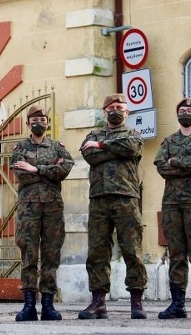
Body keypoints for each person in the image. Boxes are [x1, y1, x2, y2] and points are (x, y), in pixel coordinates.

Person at [77, 93, 148, 320]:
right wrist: (109, 149)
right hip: (98, 199)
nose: (115, 110)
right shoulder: (92, 134)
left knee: (131, 249)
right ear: (104, 111)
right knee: (97, 252)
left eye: (120, 107)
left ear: (127, 113)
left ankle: (136, 301)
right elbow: (89, 155)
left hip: (126, 197)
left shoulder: (133, 134)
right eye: (111, 107)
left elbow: (131, 148)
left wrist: (101, 146)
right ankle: (98, 302)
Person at [10, 104, 74, 321]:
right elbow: (21, 174)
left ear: (47, 123)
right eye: (35, 120)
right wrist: (50, 169)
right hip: (29, 209)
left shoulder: (58, 147)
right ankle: (29, 305)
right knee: (29, 254)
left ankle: (48, 304)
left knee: (51, 255)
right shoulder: (19, 149)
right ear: (28, 123)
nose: (39, 123)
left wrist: (36, 168)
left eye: (43, 120)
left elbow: (65, 169)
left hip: (53, 208)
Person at [154, 97, 191, 320]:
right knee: (176, 253)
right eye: (182, 110)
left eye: (190, 110)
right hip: (171, 203)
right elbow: (161, 166)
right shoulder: (168, 141)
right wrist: (185, 163)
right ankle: (177, 303)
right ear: (177, 114)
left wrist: (175, 162)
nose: (186, 113)